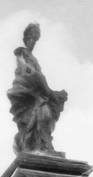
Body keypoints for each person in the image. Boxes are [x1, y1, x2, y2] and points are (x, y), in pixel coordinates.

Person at [6, 23, 68, 154]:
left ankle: (43, 144)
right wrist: (30, 71)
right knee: (41, 109)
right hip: (25, 89)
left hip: (36, 88)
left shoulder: (34, 59)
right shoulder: (21, 52)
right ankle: (34, 145)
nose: (32, 41)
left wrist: (49, 90)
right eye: (30, 37)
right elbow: (23, 66)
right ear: (25, 38)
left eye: (35, 38)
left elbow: (39, 77)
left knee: (48, 110)